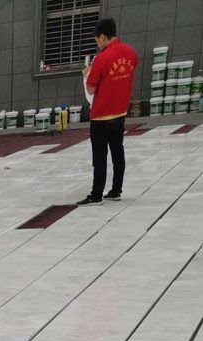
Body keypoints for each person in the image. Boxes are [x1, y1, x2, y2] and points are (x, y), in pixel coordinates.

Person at [77, 18, 138, 205]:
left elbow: (91, 90)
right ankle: (116, 190)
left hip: (101, 116)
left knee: (100, 156)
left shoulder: (101, 59)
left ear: (103, 37)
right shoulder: (131, 53)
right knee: (118, 153)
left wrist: (87, 74)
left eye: (97, 39)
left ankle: (96, 195)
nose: (97, 43)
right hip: (120, 113)